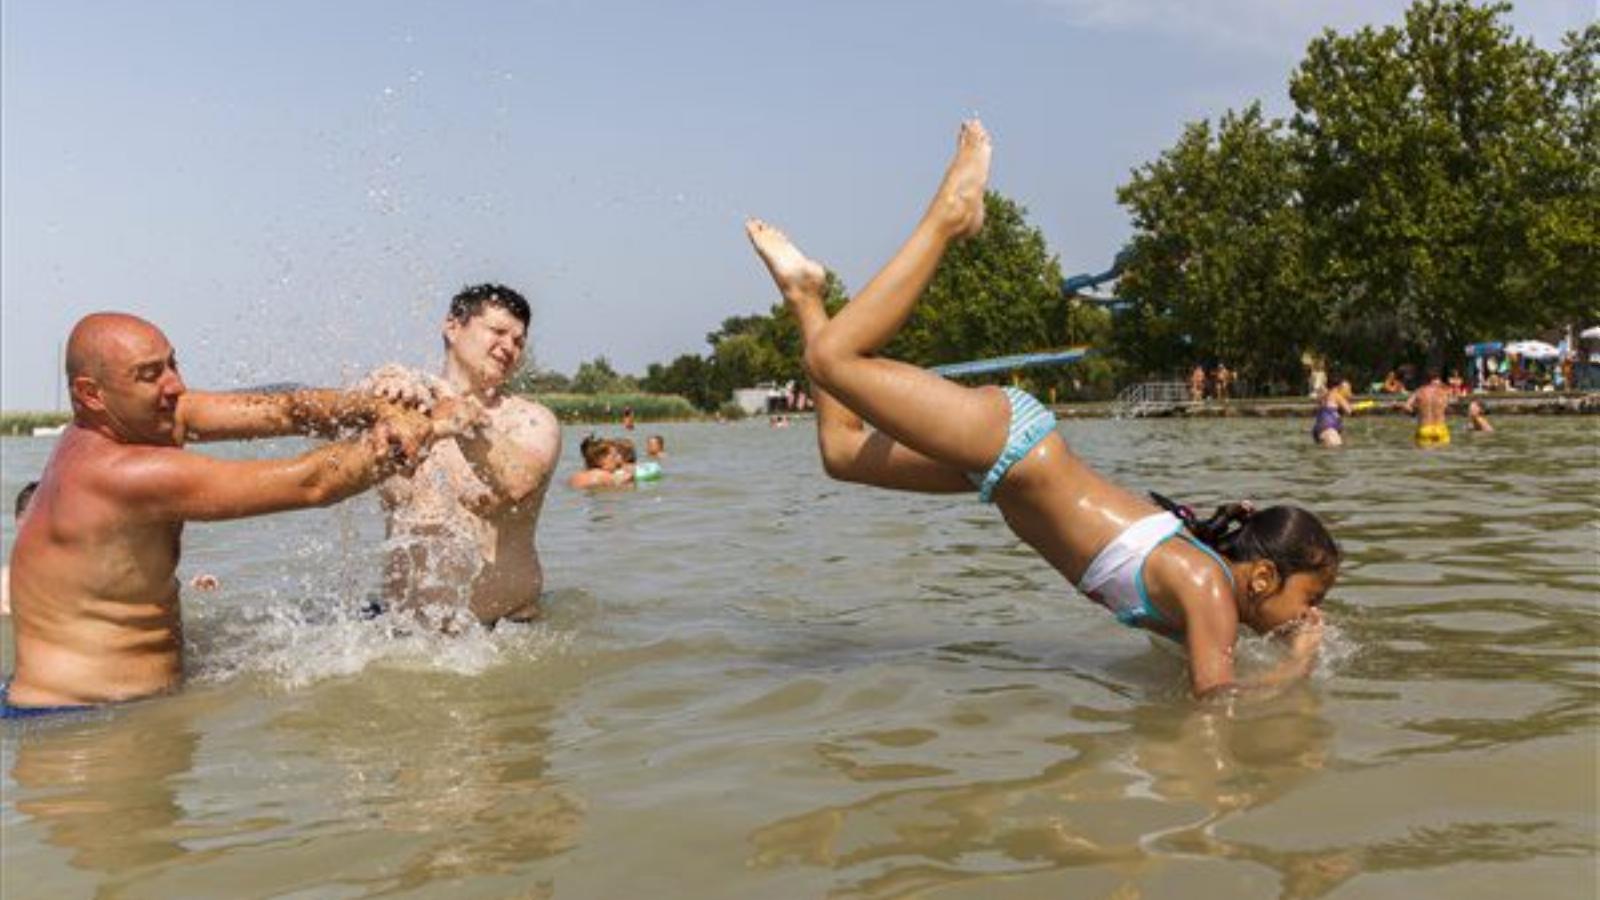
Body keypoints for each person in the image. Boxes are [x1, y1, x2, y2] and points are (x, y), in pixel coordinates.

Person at [744, 120, 1335, 700]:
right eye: (1311, 597)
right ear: (1263, 577)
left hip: (1001, 471)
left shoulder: (1207, 596)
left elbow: (1191, 688)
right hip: (1012, 446)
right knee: (833, 359)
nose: (1310, 616)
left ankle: (804, 292)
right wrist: (1298, 667)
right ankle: (952, 215)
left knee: (842, 453)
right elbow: (1215, 706)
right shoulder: (1205, 585)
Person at [4, 313, 467, 715]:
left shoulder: (143, 419)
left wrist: (380, 407)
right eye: (150, 374)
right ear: (91, 394)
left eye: (173, 363)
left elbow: (284, 410)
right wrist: (414, 430)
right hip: (80, 723)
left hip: (103, 706)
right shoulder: (119, 474)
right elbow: (312, 482)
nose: (176, 386)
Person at [364, 284, 562, 629]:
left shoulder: (532, 420)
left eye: (518, 341)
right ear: (453, 327)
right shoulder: (402, 408)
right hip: (398, 635)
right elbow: (326, 467)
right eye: (498, 332)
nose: (509, 347)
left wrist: (466, 421)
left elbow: (519, 482)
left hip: (503, 635)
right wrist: (372, 393)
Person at [1404, 369, 1452, 447]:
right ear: (1436, 380)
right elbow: (1449, 407)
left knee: (1424, 456)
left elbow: (1406, 407)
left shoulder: (1419, 392)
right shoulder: (1444, 392)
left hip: (1424, 429)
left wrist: (1414, 413)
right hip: (1441, 429)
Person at [568, 435, 633, 489]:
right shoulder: (604, 476)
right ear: (600, 460)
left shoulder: (576, 476)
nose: (620, 459)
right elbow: (627, 478)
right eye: (615, 456)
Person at [1311, 378, 1355, 448]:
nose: (1349, 392)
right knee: (1336, 450)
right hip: (1329, 430)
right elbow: (1349, 411)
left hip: (1318, 429)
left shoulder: (1325, 396)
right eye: (1348, 389)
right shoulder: (1336, 395)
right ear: (1340, 387)